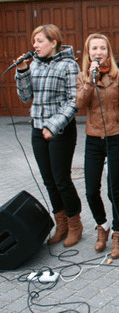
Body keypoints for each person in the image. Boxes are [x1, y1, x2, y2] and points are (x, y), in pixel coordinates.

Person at [15, 24, 83, 247]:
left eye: (39, 41)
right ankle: (60, 223)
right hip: (38, 129)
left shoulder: (69, 65)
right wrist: (23, 71)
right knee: (48, 180)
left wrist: (53, 125)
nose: (35, 45)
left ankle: (75, 224)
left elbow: (74, 101)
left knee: (61, 179)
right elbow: (26, 97)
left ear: (53, 42)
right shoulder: (33, 65)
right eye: (34, 42)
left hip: (60, 131)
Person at [76, 34, 119, 259]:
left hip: (116, 137)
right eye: (94, 49)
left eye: (102, 48)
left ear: (108, 51)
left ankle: (118, 233)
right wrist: (91, 78)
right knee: (91, 191)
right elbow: (81, 104)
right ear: (88, 53)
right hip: (93, 139)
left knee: (113, 190)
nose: (98, 52)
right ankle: (103, 226)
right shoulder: (82, 76)